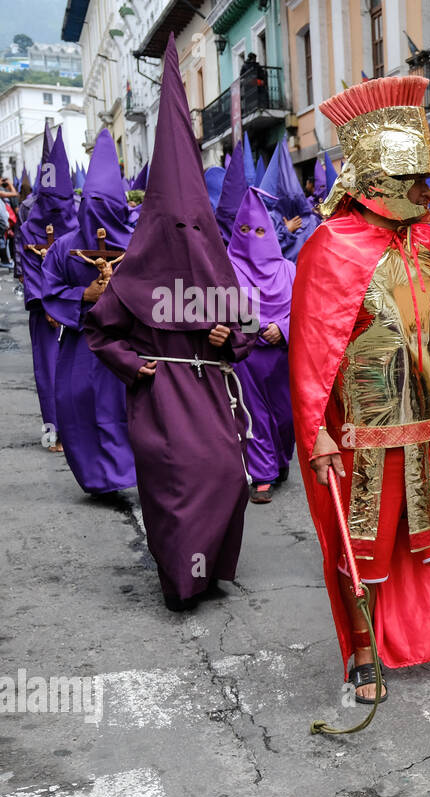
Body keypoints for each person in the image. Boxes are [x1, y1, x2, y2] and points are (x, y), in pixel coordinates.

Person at [293, 74, 430, 700]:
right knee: (363, 543)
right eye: (414, 179)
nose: (428, 189)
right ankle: (365, 652)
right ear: (373, 184)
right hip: (366, 431)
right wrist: (317, 435)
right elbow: (314, 355)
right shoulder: (328, 249)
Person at [82, 36, 257, 611]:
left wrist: (228, 337)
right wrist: (134, 365)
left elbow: (246, 335)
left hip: (209, 393)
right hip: (160, 392)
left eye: (194, 228)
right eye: (173, 228)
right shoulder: (133, 276)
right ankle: (182, 581)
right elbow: (100, 332)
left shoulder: (216, 271)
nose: (186, 240)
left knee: (227, 476)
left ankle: (209, 569)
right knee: (177, 485)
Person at [42, 128, 137, 496]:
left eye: (107, 209)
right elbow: (49, 289)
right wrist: (85, 293)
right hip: (82, 342)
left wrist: (119, 290)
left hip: (126, 342)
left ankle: (125, 472)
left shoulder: (136, 244)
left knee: (124, 408)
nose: (99, 224)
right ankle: (96, 478)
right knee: (78, 404)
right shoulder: (66, 247)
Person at [227, 186, 297, 504]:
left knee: (285, 416)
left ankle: (279, 462)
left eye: (258, 230)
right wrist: (256, 330)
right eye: (244, 230)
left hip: (283, 357)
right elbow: (221, 309)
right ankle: (262, 474)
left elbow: (305, 310)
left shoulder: (288, 270)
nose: (251, 236)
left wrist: (282, 329)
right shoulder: (226, 269)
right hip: (245, 356)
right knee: (253, 415)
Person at [18, 128, 77, 453]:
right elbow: (29, 269)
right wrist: (50, 306)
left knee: (78, 373)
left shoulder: (80, 223)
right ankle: (55, 432)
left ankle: (80, 430)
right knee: (50, 373)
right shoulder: (28, 229)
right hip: (45, 314)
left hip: (77, 309)